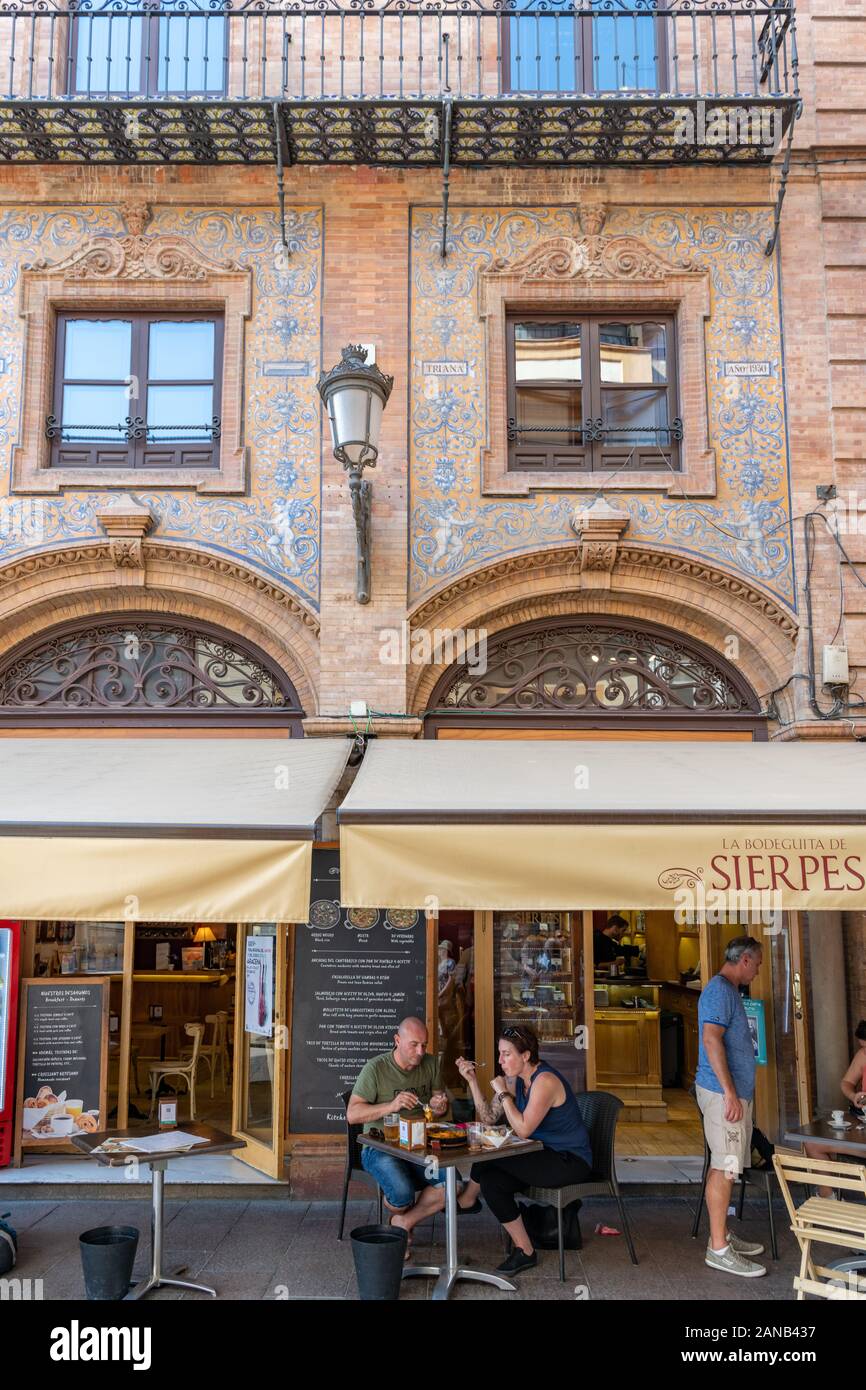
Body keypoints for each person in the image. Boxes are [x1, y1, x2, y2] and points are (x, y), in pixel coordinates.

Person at [455, 1025, 593, 1276]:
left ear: (526, 1056)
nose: (500, 1060)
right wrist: (473, 1081)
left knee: (491, 1156)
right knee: (491, 1181)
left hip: (568, 1162)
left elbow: (524, 1129)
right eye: (500, 1053)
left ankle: (466, 1199)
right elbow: (487, 1118)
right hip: (541, 1154)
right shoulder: (516, 1080)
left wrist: (504, 1094)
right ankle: (525, 1250)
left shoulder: (545, 1081)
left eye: (506, 1054)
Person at [347, 1016, 479, 1254]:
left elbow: (439, 1105)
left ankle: (401, 1225)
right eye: (414, 1044)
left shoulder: (430, 1064)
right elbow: (353, 1114)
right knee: (402, 1194)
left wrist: (440, 1106)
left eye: (424, 1045)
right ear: (397, 1040)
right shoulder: (376, 1068)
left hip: (420, 1145)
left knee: (453, 1185)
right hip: (380, 1146)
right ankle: (401, 1219)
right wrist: (391, 1105)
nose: (420, 1051)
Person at [696, 935, 767, 1278]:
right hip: (723, 1094)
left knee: (723, 1164)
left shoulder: (727, 990)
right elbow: (711, 1039)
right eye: (758, 964)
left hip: (730, 1094)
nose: (758, 971)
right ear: (746, 960)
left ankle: (719, 1232)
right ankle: (719, 1249)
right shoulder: (721, 990)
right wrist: (728, 1092)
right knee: (725, 1166)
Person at [803, 1019, 866, 1195]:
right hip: (861, 1128)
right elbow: (846, 1082)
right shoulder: (863, 1055)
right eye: (864, 1047)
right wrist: (854, 1096)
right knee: (813, 1144)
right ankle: (829, 1200)